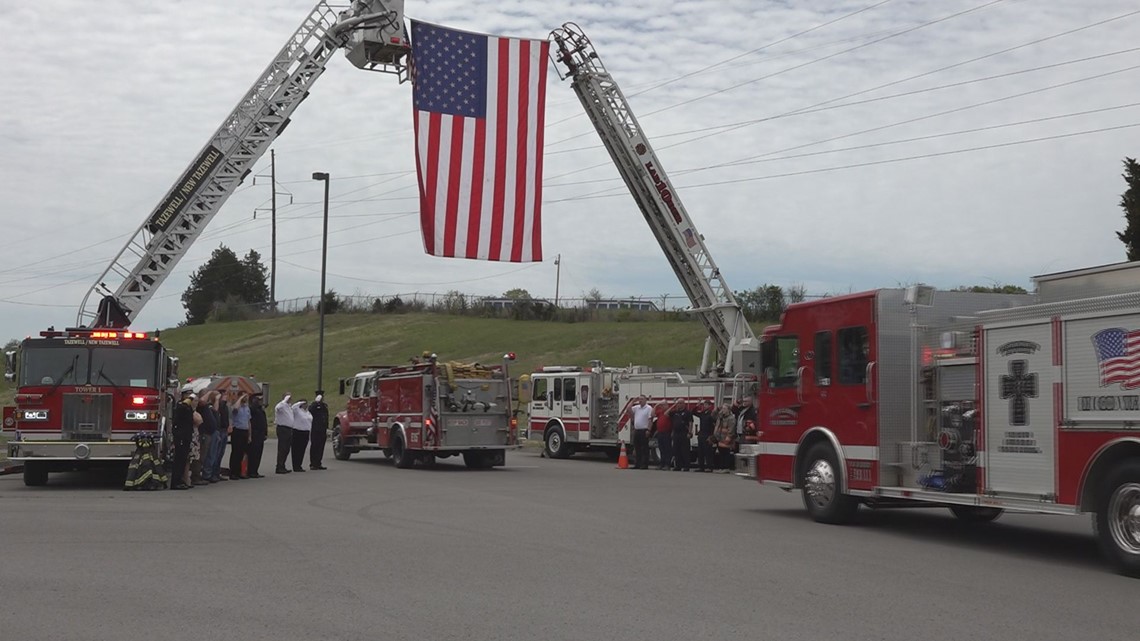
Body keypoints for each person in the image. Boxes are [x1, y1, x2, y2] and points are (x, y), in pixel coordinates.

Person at [171, 390, 196, 490]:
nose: (190, 397)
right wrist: (189, 400)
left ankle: (180, 480)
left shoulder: (188, 406)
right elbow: (181, 410)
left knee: (183, 459)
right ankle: (175, 482)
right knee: (179, 459)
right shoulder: (181, 405)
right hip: (181, 436)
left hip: (186, 436)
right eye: (188, 395)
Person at [626, 395, 654, 470]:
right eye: (639, 399)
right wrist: (633, 401)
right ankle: (637, 464)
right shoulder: (637, 408)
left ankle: (645, 464)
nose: (640, 401)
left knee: (644, 448)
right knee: (637, 448)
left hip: (644, 430)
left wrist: (649, 430)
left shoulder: (648, 408)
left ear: (645, 400)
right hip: (637, 430)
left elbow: (650, 420)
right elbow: (628, 409)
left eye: (642, 399)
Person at [228, 393, 251, 480]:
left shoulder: (247, 408)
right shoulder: (236, 406)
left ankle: (240, 472)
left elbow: (249, 422)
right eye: (245, 397)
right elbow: (235, 409)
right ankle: (233, 472)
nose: (246, 398)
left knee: (242, 453)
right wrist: (240, 398)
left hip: (245, 431)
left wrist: (249, 435)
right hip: (237, 430)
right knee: (236, 452)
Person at [665, 399, 692, 471]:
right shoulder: (675, 412)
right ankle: (678, 466)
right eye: (678, 403)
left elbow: (690, 423)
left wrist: (689, 432)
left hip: (684, 433)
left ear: (684, 404)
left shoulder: (687, 412)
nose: (678, 405)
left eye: (680, 403)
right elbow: (666, 414)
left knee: (685, 450)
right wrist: (673, 405)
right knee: (676, 450)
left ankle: (686, 466)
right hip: (676, 433)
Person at [247, 392, 268, 478]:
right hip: (254, 433)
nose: (260, 401)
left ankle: (255, 470)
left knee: (259, 453)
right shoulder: (252, 409)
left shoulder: (261, 410)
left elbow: (264, 422)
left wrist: (265, 433)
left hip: (261, 433)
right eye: (258, 400)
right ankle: (251, 470)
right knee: (253, 453)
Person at [693, 400, 716, 472]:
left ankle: (709, 466)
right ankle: (701, 467)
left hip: (708, 434)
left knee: (708, 452)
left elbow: (714, 425)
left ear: (710, 406)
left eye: (706, 405)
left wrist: (712, 436)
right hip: (701, 434)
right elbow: (693, 412)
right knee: (700, 452)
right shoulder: (702, 414)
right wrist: (697, 405)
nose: (705, 406)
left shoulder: (711, 414)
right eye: (704, 405)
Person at [274, 393, 294, 474]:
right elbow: (277, 408)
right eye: (288, 397)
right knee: (282, 448)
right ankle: (279, 466)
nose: (290, 399)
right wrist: (284, 400)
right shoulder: (281, 405)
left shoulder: (288, 407)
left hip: (289, 429)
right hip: (282, 428)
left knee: (286, 449)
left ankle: (283, 465)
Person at [309, 392, 329, 470]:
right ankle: (313, 463)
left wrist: (326, 427)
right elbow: (310, 411)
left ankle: (318, 462)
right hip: (315, 429)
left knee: (321, 446)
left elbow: (326, 417)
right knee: (315, 446)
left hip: (322, 429)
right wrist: (316, 403)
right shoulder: (314, 405)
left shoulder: (324, 406)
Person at [714, 401, 737, 473]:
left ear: (728, 410)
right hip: (720, 437)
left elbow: (731, 428)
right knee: (721, 453)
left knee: (726, 453)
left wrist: (729, 437)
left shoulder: (731, 418)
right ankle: (721, 467)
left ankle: (726, 467)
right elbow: (713, 415)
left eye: (724, 409)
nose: (723, 410)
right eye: (722, 409)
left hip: (726, 437)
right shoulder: (721, 417)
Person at [290, 398, 312, 472]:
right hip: (297, 431)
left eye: (306, 404)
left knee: (302, 450)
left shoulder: (307, 412)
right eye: (304, 404)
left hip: (306, 432)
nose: (306, 405)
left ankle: (299, 465)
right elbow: (293, 407)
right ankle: (295, 466)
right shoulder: (297, 411)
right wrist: (300, 402)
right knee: (296, 449)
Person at [654, 402, 672, 470]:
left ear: (667, 405)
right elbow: (652, 414)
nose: (662, 406)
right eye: (661, 405)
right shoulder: (659, 412)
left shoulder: (669, 412)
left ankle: (667, 464)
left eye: (664, 405)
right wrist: (656, 405)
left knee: (667, 449)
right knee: (661, 449)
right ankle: (662, 464)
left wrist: (669, 406)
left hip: (667, 433)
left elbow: (666, 413)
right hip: (660, 433)